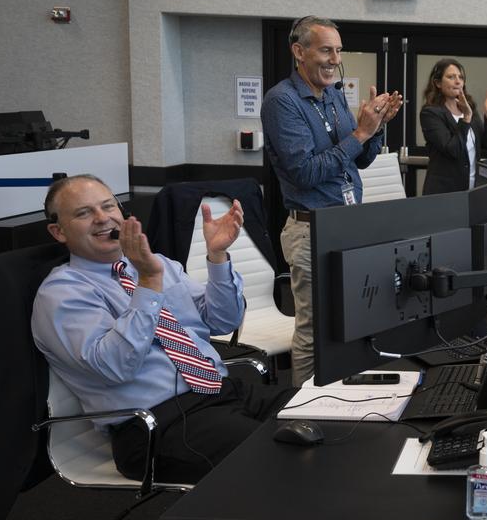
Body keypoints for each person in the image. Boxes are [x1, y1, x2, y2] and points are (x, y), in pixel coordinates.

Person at [31, 175, 298, 484]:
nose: (103, 218)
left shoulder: (158, 264)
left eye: (108, 206)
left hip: (221, 393)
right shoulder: (62, 293)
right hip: (156, 423)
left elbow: (223, 320)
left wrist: (217, 257)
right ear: (58, 231)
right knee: (281, 457)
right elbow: (115, 366)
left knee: (332, 418)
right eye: (84, 213)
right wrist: (147, 284)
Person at [261, 16, 403, 386]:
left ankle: (342, 401)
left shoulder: (335, 95)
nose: (334, 59)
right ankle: (303, 411)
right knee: (314, 329)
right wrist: (360, 131)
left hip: (348, 226)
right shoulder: (282, 102)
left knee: (354, 320)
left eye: (338, 51)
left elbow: (360, 159)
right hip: (311, 230)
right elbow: (305, 172)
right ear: (299, 51)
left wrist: (376, 127)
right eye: (326, 49)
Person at [419, 58, 487, 195]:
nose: (458, 81)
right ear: (438, 83)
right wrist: (466, 118)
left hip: (472, 188)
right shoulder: (430, 113)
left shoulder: (468, 108)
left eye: (460, 77)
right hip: (444, 192)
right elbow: (452, 149)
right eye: (451, 77)